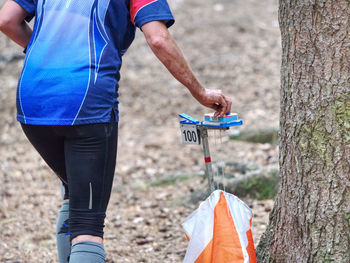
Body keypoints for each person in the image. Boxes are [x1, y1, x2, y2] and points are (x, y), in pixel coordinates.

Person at [0, 0, 232, 262]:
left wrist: (47, 53)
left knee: (73, 190)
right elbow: (157, 38)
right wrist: (200, 92)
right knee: (88, 230)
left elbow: (7, 20)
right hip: (86, 101)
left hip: (32, 99)